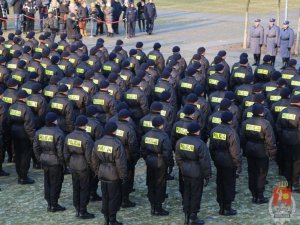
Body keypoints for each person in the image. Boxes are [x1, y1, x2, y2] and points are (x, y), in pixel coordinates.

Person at [91, 121, 128, 225]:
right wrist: (123, 176)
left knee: (105, 196)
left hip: (103, 173)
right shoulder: (117, 144)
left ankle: (106, 218)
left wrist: (97, 171)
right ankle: (112, 219)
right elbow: (121, 163)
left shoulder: (98, 142)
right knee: (113, 198)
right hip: (113, 174)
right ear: (114, 131)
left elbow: (94, 160)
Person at [175, 122, 211, 225]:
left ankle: (186, 216)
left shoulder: (180, 142)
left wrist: (182, 167)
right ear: (197, 131)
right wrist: (207, 175)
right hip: (196, 172)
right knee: (195, 194)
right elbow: (205, 161)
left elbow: (178, 158)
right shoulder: (200, 143)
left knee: (186, 193)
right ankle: (193, 217)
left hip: (185, 171)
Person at [240, 104, 277, 204]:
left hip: (249, 149)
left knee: (252, 172)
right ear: (262, 112)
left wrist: (245, 148)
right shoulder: (265, 123)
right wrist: (272, 153)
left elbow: (242, 138)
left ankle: (253, 194)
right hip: (262, 150)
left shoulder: (246, 123)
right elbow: (270, 140)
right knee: (261, 173)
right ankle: (259, 196)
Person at [210, 111, 242, 216]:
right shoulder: (231, 132)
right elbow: (235, 151)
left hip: (218, 160)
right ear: (230, 120)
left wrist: (215, 159)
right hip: (229, 161)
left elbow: (211, 147)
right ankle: (227, 207)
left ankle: (221, 206)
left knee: (220, 183)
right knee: (229, 184)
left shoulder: (214, 130)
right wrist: (238, 164)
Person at [140, 115, 173, 216]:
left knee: (151, 184)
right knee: (160, 185)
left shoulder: (146, 135)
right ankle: (158, 208)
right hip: (160, 162)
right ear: (161, 125)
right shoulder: (164, 136)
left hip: (150, 161)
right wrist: (170, 164)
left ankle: (152, 207)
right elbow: (167, 153)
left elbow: (143, 151)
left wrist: (148, 159)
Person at [33, 112, 66, 212]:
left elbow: (35, 147)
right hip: (55, 162)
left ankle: (49, 203)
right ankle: (54, 205)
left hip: (45, 160)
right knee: (56, 183)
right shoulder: (58, 133)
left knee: (47, 182)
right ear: (54, 121)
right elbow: (60, 151)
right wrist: (62, 163)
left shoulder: (39, 132)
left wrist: (40, 158)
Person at [64, 115, 95, 219]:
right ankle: (83, 210)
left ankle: (77, 208)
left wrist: (69, 163)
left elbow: (66, 152)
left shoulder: (69, 136)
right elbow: (89, 156)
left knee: (76, 187)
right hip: (83, 166)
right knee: (84, 188)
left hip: (73, 164)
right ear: (85, 125)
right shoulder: (87, 138)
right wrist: (92, 168)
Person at [8, 90, 36, 184]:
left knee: (18, 154)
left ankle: (19, 174)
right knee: (25, 155)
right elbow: (29, 126)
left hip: (14, 132)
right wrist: (32, 138)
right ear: (24, 98)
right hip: (24, 134)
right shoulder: (26, 109)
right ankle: (23, 177)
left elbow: (8, 120)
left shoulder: (12, 106)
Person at [276, 95, 300, 192]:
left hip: (285, 140)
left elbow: (278, 126)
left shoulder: (283, 111)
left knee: (287, 161)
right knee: (297, 162)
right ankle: (295, 183)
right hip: (297, 141)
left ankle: (288, 183)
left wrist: (282, 137)